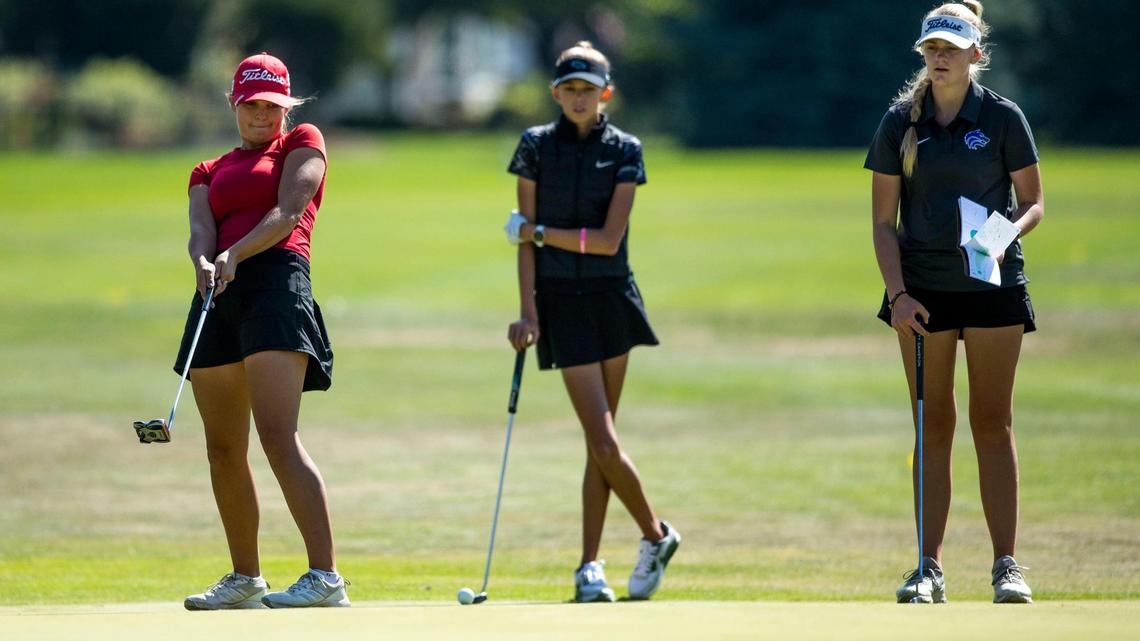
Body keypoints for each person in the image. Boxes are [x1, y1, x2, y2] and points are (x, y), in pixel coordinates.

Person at [865, 1, 1044, 604]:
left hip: (993, 286)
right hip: (923, 295)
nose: (939, 58)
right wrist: (898, 297)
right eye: (931, 49)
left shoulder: (1002, 117)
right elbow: (883, 222)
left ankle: (1006, 566)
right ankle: (928, 567)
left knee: (992, 424)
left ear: (976, 55)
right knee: (931, 423)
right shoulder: (900, 123)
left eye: (951, 48)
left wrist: (1002, 235)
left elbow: (1034, 202)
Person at [502, 41, 681, 603]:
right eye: (569, 89)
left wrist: (535, 232)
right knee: (602, 438)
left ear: (605, 93)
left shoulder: (626, 149)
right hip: (562, 301)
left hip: (612, 298)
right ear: (556, 93)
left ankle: (588, 568)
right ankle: (656, 535)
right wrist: (528, 312)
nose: (579, 98)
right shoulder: (534, 146)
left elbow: (606, 242)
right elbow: (523, 243)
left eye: (589, 89)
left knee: (599, 445)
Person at [177, 52, 348, 610]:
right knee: (223, 449)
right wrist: (205, 261)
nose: (261, 115)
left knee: (278, 436)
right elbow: (200, 228)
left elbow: (289, 212)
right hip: (218, 295)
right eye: (251, 104)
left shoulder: (302, 141)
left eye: (272, 105)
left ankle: (325, 577)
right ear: (234, 103)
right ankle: (245, 578)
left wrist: (234, 253)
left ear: (287, 105)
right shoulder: (207, 170)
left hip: (277, 283)